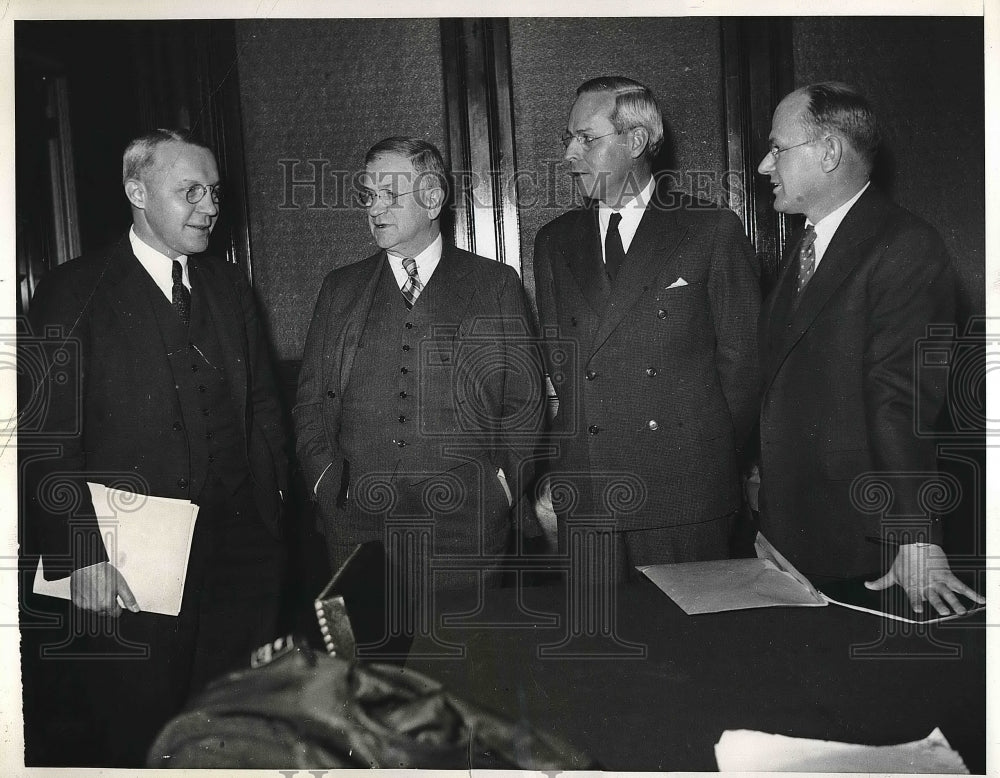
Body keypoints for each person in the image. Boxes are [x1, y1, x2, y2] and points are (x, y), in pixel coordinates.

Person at [22, 129, 289, 765]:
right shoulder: (72, 291)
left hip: (239, 562)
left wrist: (274, 524)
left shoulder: (230, 288)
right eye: (190, 192)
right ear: (137, 193)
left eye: (214, 192)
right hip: (130, 570)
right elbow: (43, 439)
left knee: (230, 737)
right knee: (141, 738)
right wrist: (79, 557)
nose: (210, 207)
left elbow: (261, 411)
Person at [755, 82, 984, 615]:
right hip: (795, 540)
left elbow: (901, 401)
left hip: (869, 550)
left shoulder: (907, 246)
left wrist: (916, 537)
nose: (766, 165)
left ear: (829, 152)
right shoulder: (809, 243)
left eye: (777, 148)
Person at [294, 137, 543, 612]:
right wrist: (325, 481)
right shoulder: (340, 289)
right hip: (357, 526)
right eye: (368, 195)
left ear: (432, 198)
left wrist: (503, 487)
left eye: (389, 195)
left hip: (466, 526)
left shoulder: (494, 284)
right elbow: (309, 403)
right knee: (370, 655)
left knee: (464, 652)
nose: (374, 208)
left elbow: (525, 403)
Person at [533, 76, 761, 580]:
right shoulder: (554, 241)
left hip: (683, 492)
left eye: (585, 138)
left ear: (635, 141)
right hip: (589, 495)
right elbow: (562, 364)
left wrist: (704, 454)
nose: (569, 154)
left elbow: (744, 367)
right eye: (568, 139)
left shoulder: (709, 228)